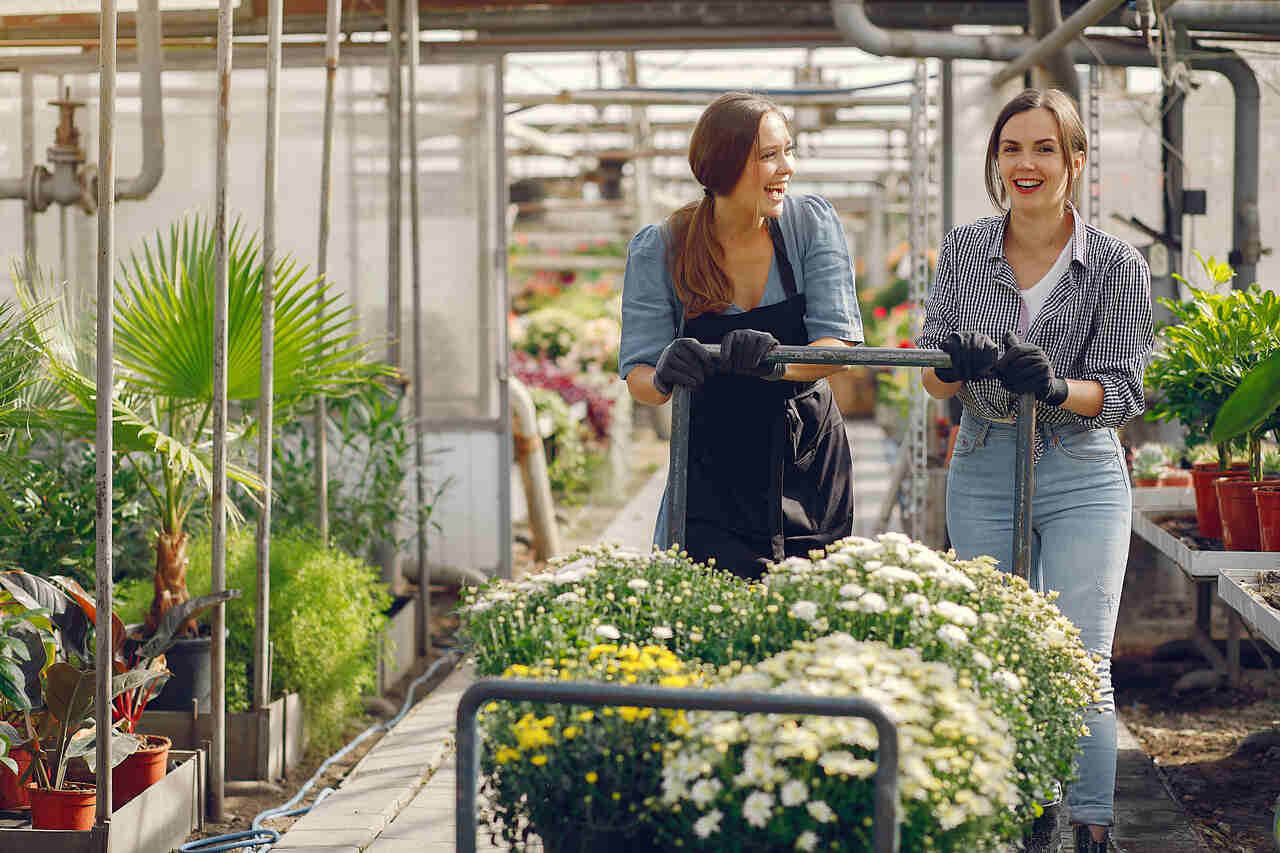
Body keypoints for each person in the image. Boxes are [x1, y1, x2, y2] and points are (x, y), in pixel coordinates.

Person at [916, 88, 1153, 853]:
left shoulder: (1116, 264)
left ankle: (1091, 825)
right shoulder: (963, 250)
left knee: (1081, 655)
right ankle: (1020, 813)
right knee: (998, 649)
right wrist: (956, 361)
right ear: (997, 159)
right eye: (1011, 147)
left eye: (1044, 148)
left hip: (1082, 467)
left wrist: (1054, 385)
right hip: (985, 458)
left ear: (1075, 162)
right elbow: (931, 373)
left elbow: (1121, 391)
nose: (1026, 163)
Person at [618, 91, 862, 580]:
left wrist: (777, 364)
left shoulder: (808, 225)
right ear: (725, 166)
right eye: (769, 156)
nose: (786, 168)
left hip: (807, 455)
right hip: (714, 460)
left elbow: (839, 345)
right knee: (713, 612)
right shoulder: (663, 248)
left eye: (787, 151)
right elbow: (640, 378)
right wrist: (665, 373)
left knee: (812, 606)